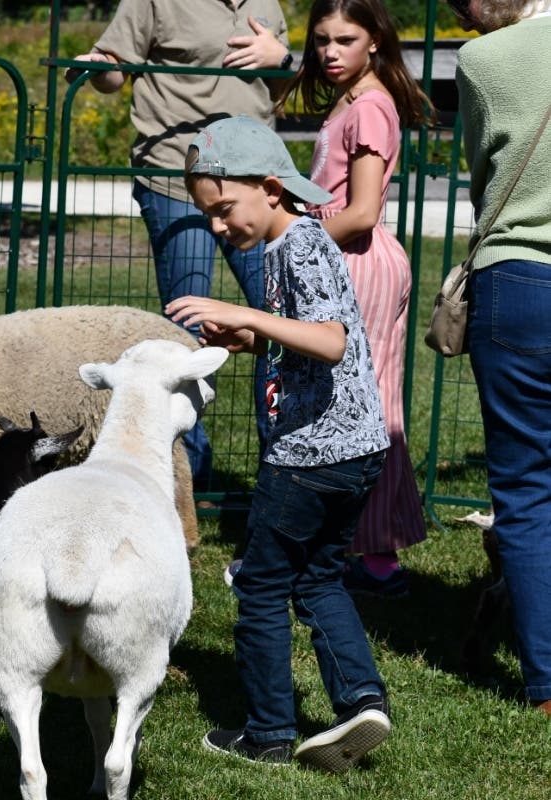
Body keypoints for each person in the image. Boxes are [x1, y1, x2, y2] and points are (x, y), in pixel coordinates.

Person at [166, 116, 391, 770]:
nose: (216, 226)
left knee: (261, 586)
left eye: (223, 209)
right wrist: (250, 339)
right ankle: (361, 701)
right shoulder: (288, 243)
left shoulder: (297, 244)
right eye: (207, 214)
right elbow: (308, 331)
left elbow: (330, 340)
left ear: (269, 188)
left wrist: (244, 314)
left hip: (309, 454)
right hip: (356, 450)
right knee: (318, 578)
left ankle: (267, 733)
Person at [63, 0, 293, 486]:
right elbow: (114, 69)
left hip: (252, 184)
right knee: (186, 328)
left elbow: (284, 92)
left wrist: (281, 60)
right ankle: (186, 472)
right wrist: (99, 68)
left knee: (280, 322)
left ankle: (281, 464)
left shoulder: (267, 3)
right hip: (175, 177)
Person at [274, 0, 432, 597]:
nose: (330, 52)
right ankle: (355, 547)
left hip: (359, 259)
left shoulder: (369, 107)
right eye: (321, 40)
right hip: (345, 257)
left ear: (376, 42)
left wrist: (296, 242)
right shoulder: (349, 100)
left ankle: (376, 556)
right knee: (348, 401)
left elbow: (362, 213)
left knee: (365, 406)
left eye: (345, 40)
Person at [450, 0, 551, 716]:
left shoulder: (482, 59)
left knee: (524, 489)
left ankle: (547, 682)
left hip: (516, 277)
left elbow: (483, 172)